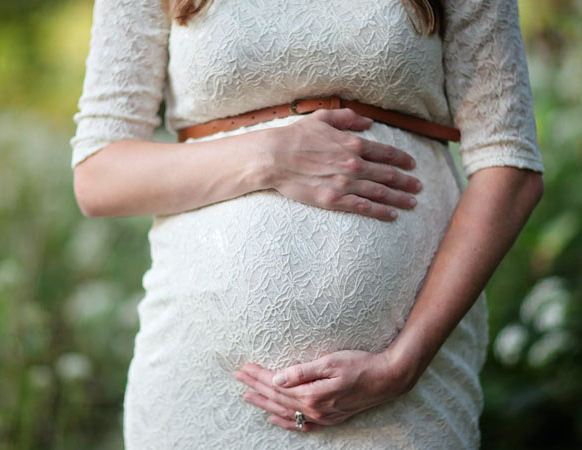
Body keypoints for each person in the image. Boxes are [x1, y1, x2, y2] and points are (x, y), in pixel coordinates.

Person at [69, 0, 545, 448]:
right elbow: (98, 175)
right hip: (201, 385)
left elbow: (510, 165)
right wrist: (270, 157)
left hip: (407, 396)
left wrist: (401, 365)